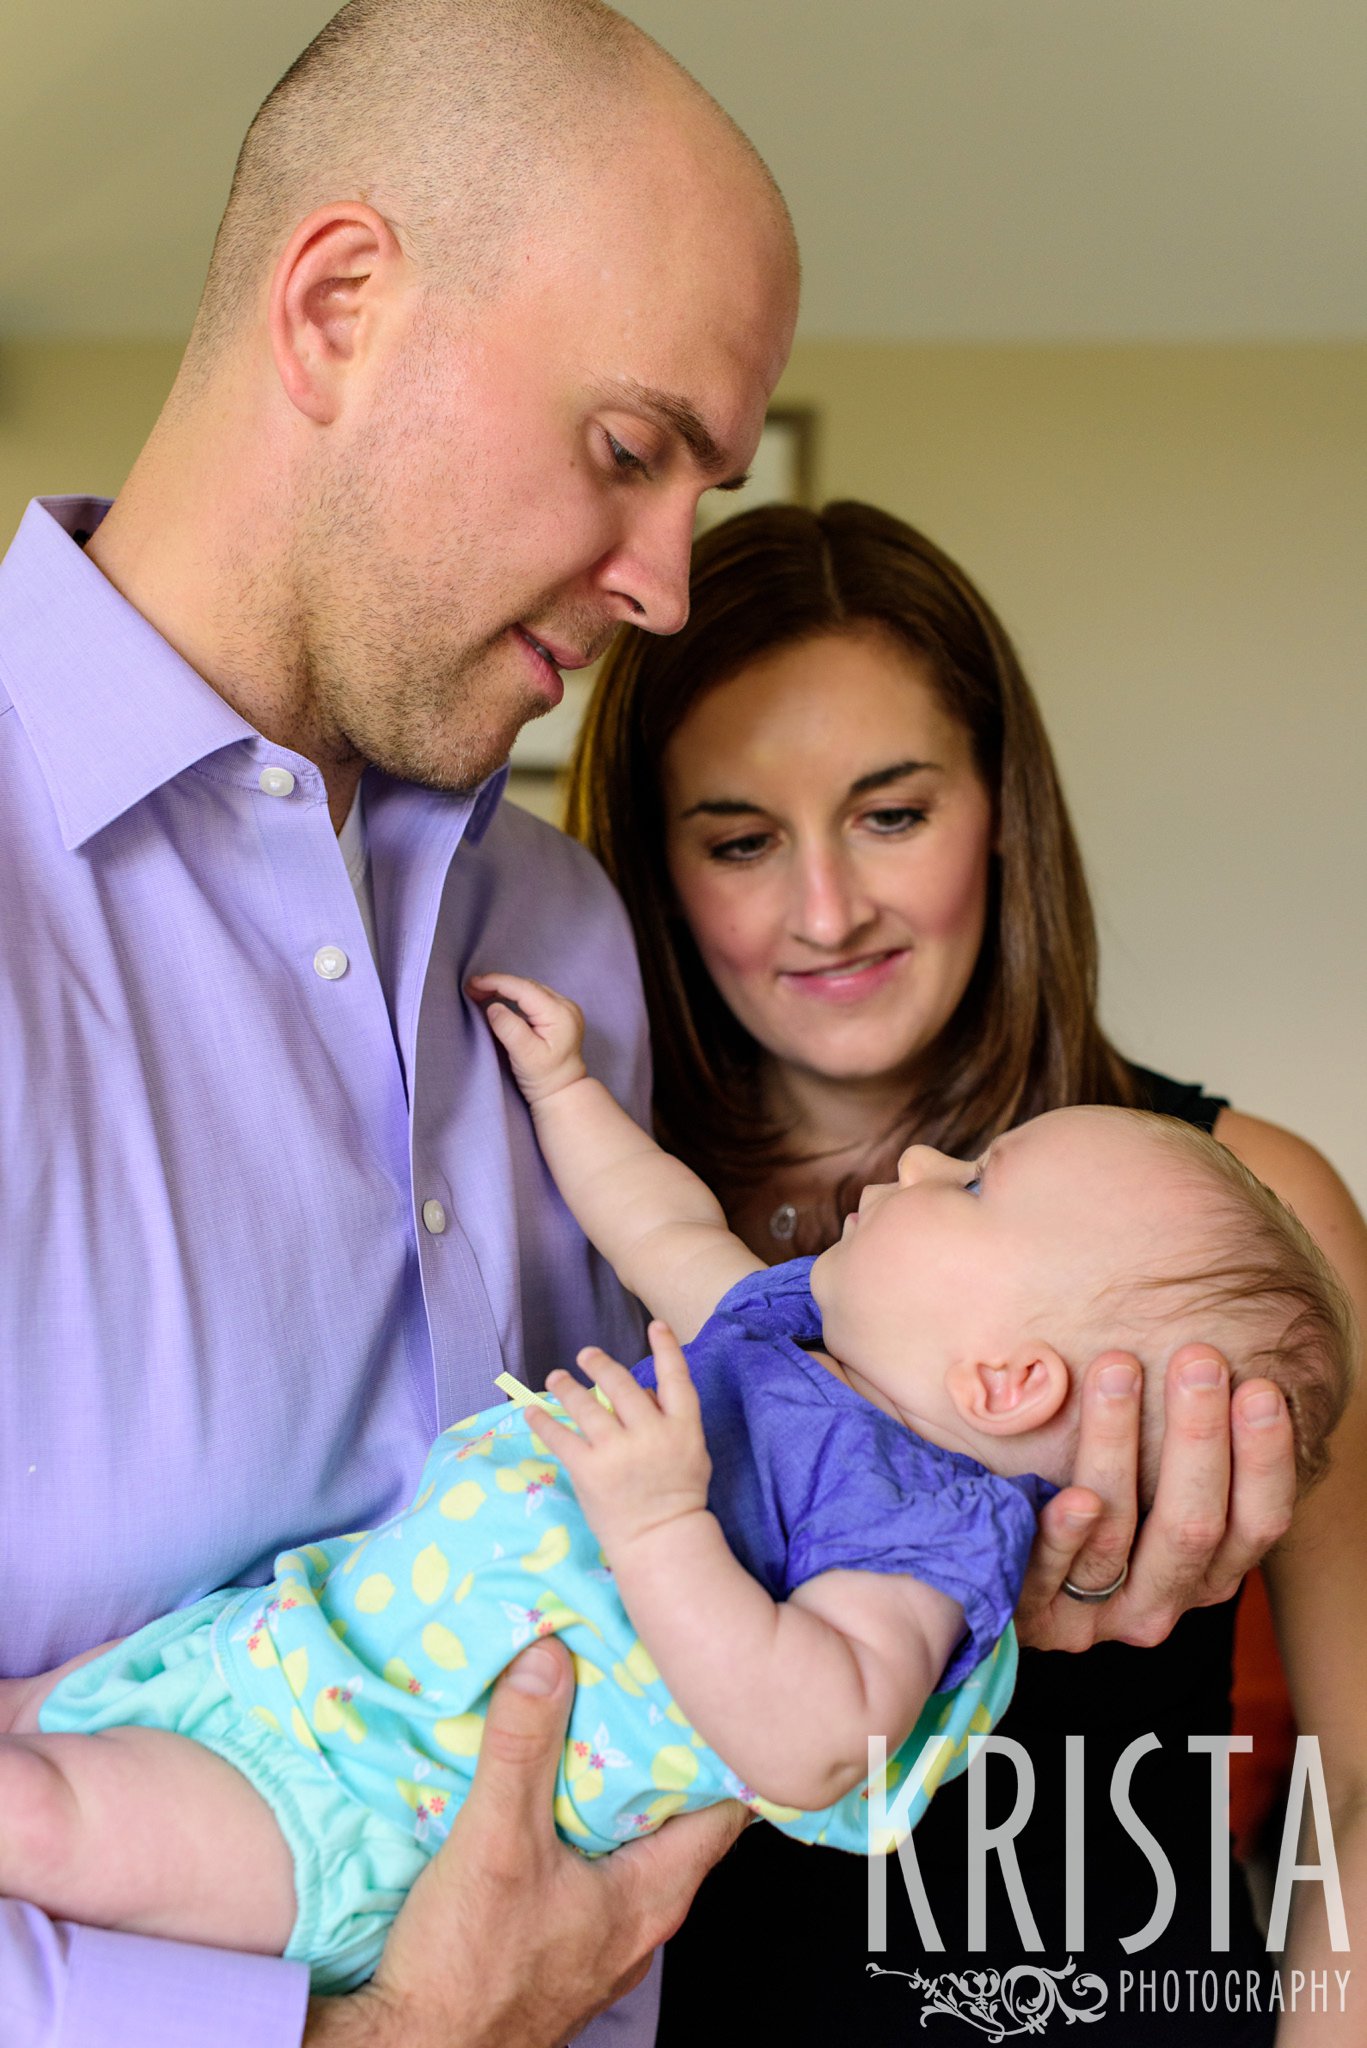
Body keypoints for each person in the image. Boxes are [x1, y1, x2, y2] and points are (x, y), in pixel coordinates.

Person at [0, 2, 803, 2044]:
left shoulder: (561, 930)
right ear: (339, 305)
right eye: (629, 451)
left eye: (701, 486)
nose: (667, 587)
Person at [2, 978, 1353, 1999]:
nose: (926, 1161)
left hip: (375, 1812)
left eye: (981, 1184)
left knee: (49, 1824)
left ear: (1006, 1382)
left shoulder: (919, 1538)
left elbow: (821, 1736)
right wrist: (565, 1091)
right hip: (287, 1653)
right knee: (35, 1717)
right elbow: (660, 1226)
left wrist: (659, 1524)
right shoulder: (789, 1343)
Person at [565, 500, 1367, 2046]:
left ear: (1001, 808)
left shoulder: (1255, 1206)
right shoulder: (574, 1208)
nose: (826, 910)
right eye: (740, 840)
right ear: (658, 872)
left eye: (891, 814)